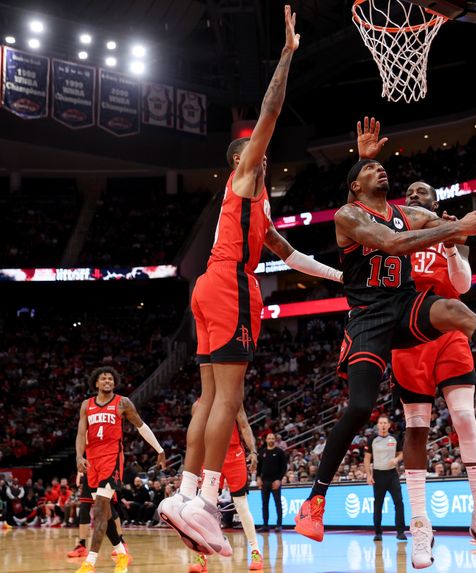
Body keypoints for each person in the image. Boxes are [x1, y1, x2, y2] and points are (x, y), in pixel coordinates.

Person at [293, 147, 476, 543]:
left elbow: (466, 228)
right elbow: (391, 243)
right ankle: (315, 500)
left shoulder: (410, 213)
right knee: (360, 406)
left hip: (405, 304)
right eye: (371, 168)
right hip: (369, 316)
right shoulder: (348, 215)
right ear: (355, 186)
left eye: (381, 165)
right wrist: (449, 229)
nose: (381, 169)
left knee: (454, 310)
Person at [158, 7, 341, 558]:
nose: (262, 154)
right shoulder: (242, 178)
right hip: (231, 287)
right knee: (227, 398)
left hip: (212, 287)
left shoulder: (257, 210)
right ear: (240, 159)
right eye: (253, 150)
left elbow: (295, 257)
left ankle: (185, 494)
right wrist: (287, 54)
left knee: (208, 400)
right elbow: (270, 111)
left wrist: (340, 276)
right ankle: (208, 504)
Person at [75, 367, 166, 573]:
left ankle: (90, 562)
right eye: (103, 378)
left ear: (114, 383)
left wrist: (159, 449)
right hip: (92, 461)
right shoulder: (86, 405)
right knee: (104, 512)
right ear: (96, 383)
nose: (107, 381)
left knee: (99, 509)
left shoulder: (123, 403)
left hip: (112, 459)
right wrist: (79, 457)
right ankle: (122, 553)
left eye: (110, 378)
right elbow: (81, 434)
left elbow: (141, 426)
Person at [188, 404, 263, 573]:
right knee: (205, 509)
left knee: (242, 507)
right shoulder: (198, 405)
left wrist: (253, 452)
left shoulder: (233, 398)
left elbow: (244, 425)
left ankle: (255, 551)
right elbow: (197, 435)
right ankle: (202, 557)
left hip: (234, 455)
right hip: (211, 456)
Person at [364, 415, 406, 542]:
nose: (382, 425)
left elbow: (401, 453)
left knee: (399, 502)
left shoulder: (394, 438)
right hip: (378, 474)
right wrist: (369, 475)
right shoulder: (372, 439)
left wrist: (397, 459)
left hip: (392, 474)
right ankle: (377, 532)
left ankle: (400, 531)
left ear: (388, 425)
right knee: (378, 504)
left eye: (384, 423)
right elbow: (367, 459)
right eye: (380, 423)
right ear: (378, 425)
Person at [257, 433, 287, 533]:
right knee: (264, 504)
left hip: (275, 482)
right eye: (269, 438)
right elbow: (259, 468)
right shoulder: (262, 452)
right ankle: (265, 525)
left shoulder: (280, 452)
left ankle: (279, 525)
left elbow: (284, 468)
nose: (271, 440)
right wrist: (258, 478)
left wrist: (279, 479)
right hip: (264, 481)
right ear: (266, 440)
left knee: (278, 504)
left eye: (273, 438)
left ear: (275, 440)